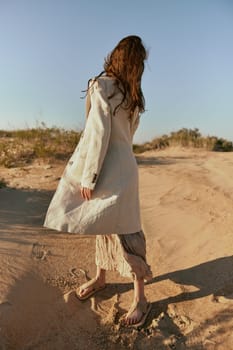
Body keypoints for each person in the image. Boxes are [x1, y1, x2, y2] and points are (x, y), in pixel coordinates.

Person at [44, 35, 152, 328]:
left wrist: (89, 175)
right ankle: (102, 279)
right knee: (113, 225)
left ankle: (140, 298)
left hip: (106, 166)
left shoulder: (104, 86)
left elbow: (97, 134)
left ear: (114, 56)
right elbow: (123, 135)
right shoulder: (130, 92)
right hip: (125, 167)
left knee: (124, 230)